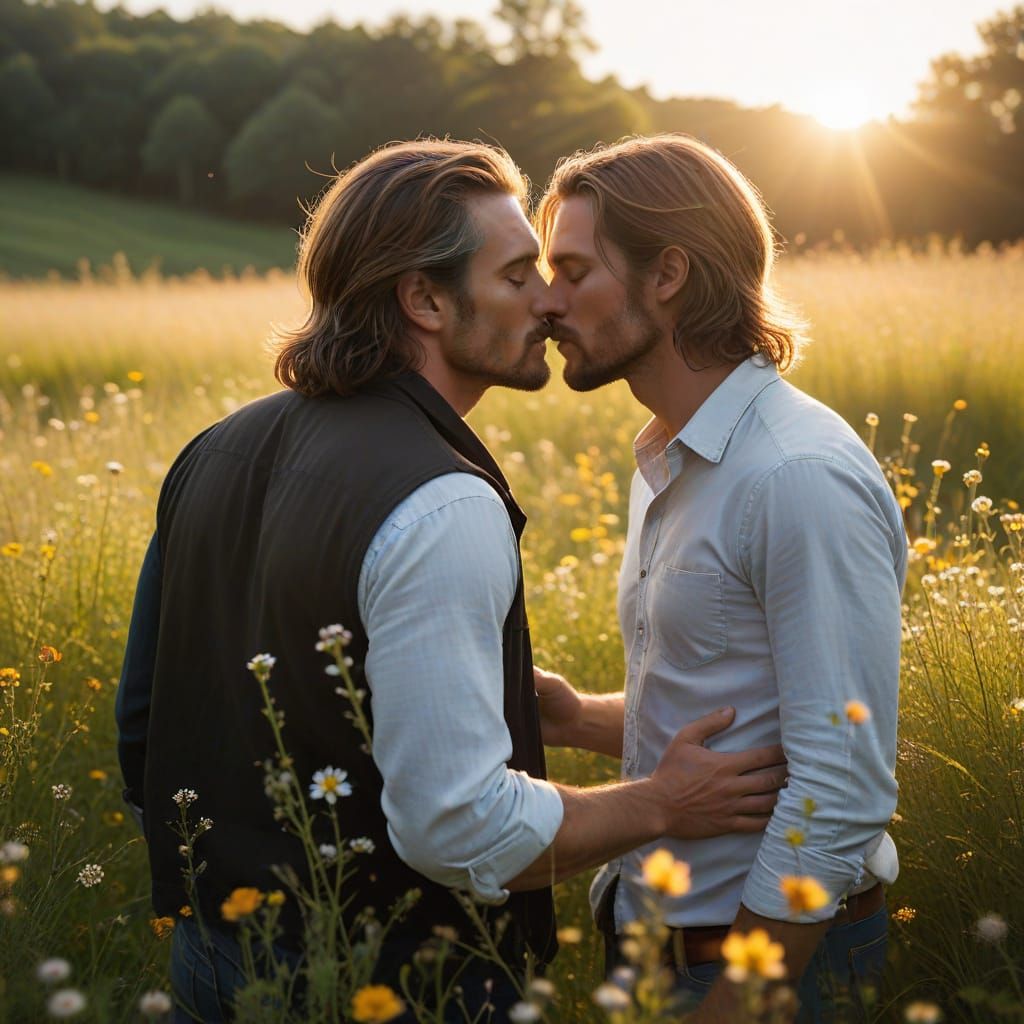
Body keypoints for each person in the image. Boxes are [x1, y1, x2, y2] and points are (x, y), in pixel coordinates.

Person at [115, 139, 788, 1023]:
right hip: (399, 988)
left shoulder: (212, 451)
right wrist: (660, 802)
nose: (548, 301)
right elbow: (461, 825)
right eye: (516, 277)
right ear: (424, 299)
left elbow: (143, 728)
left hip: (211, 960)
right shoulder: (440, 502)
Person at [533, 134, 906, 1023]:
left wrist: (735, 1000)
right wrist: (576, 718)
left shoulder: (794, 475)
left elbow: (843, 779)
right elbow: (743, 712)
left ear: (667, 275)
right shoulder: (671, 454)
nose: (547, 301)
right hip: (653, 944)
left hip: (762, 966)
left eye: (574, 270)